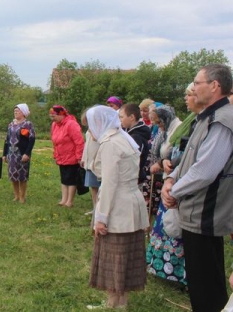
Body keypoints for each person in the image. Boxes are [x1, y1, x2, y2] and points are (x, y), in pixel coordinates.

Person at [162, 64, 233, 312]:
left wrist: (174, 191)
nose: (193, 87)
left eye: (196, 82)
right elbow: (188, 159)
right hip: (196, 212)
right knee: (200, 283)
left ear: (214, 86)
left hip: (206, 214)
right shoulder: (204, 117)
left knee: (207, 289)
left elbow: (205, 171)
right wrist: (170, 180)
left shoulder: (222, 120)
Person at [86, 106, 149, 310]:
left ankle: (116, 301)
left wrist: (101, 217)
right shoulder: (122, 138)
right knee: (123, 254)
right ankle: (118, 300)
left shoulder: (111, 144)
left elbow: (110, 183)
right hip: (131, 200)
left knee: (116, 255)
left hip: (119, 205)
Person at [146, 83, 202, 287]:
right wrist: (164, 162)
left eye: (189, 95)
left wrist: (167, 165)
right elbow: (176, 150)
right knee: (165, 225)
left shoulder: (195, 122)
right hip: (172, 178)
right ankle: (162, 267)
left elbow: (192, 155)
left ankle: (179, 273)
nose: (186, 99)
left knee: (177, 228)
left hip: (185, 183)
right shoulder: (192, 120)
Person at [146, 106, 181, 217]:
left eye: (159, 122)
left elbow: (177, 154)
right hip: (166, 177)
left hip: (174, 179)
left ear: (166, 118)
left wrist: (161, 163)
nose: (158, 125)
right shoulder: (167, 130)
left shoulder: (178, 129)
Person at [50, 105, 84, 208]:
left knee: (71, 179)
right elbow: (55, 141)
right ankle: (63, 199)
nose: (52, 118)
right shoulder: (55, 125)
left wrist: (79, 157)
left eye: (54, 116)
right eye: (51, 116)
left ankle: (70, 201)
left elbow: (79, 142)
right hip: (61, 156)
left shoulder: (71, 124)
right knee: (64, 179)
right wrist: (56, 154)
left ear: (61, 114)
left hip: (72, 157)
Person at [2, 104, 36, 203]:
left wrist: (27, 153)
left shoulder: (28, 124)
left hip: (22, 153)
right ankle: (16, 195)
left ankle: (22, 196)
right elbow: (6, 140)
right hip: (11, 153)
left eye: (18, 110)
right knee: (13, 175)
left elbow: (32, 140)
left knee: (22, 176)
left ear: (23, 112)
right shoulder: (11, 124)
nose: (15, 112)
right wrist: (4, 154)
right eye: (15, 110)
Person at [118, 103, 151, 188]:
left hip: (133, 178)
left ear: (132, 117)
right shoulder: (129, 133)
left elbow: (135, 159)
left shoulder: (136, 136)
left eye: (121, 117)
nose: (119, 120)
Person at [80, 109, 100, 216]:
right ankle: (94, 207)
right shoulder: (89, 130)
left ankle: (100, 209)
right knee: (93, 186)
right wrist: (83, 158)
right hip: (89, 161)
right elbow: (86, 145)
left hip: (97, 162)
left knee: (100, 186)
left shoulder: (101, 129)